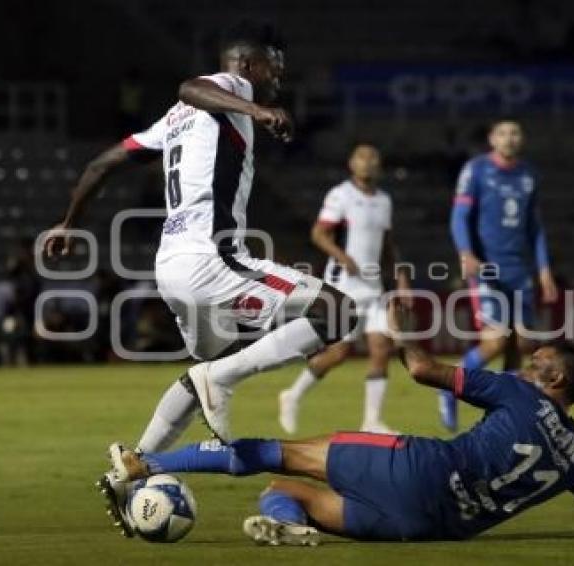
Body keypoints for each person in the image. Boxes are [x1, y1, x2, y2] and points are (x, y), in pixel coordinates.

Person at [43, 22, 358, 534]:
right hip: (213, 258)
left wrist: (68, 221)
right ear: (248, 66)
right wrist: (256, 108)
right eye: (273, 67)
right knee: (339, 311)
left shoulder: (173, 122)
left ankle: (134, 465)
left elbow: (103, 163)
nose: (278, 77)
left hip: (171, 267)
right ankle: (223, 380)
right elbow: (190, 85)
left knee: (207, 365)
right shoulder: (228, 87)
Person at [107, 299, 574, 544]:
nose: (528, 360)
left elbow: (420, 368)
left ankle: (144, 461)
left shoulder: (519, 394)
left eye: (539, 360)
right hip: (430, 529)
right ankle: (293, 526)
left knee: (273, 452)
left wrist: (397, 327)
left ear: (555, 380)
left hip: (416, 470)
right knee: (285, 492)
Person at [279, 144, 410, 435]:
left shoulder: (384, 201)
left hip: (373, 286)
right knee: (339, 353)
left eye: (373, 157)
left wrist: (401, 278)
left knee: (380, 348)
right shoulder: (341, 195)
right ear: (352, 163)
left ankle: (372, 421)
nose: (367, 162)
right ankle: (293, 395)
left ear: (379, 164)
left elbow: (388, 245)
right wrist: (343, 257)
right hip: (344, 285)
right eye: (362, 157)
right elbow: (318, 233)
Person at [440, 119, 559, 431]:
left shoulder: (529, 174)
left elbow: (535, 228)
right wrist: (466, 253)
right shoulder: (476, 170)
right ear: (492, 139)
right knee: (494, 343)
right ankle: (447, 385)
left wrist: (544, 268)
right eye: (503, 133)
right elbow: (459, 216)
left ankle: (506, 411)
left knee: (521, 345)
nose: (510, 138)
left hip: (520, 270)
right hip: (487, 268)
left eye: (516, 132)